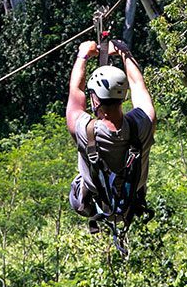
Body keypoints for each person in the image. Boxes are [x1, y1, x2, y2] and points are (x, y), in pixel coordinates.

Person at [66, 38, 155, 233]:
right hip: (132, 198)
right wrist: (125, 53)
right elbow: (138, 85)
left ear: (95, 99)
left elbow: (75, 92)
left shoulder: (85, 131)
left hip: (96, 198)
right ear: (124, 96)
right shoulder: (143, 124)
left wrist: (83, 55)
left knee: (77, 185)